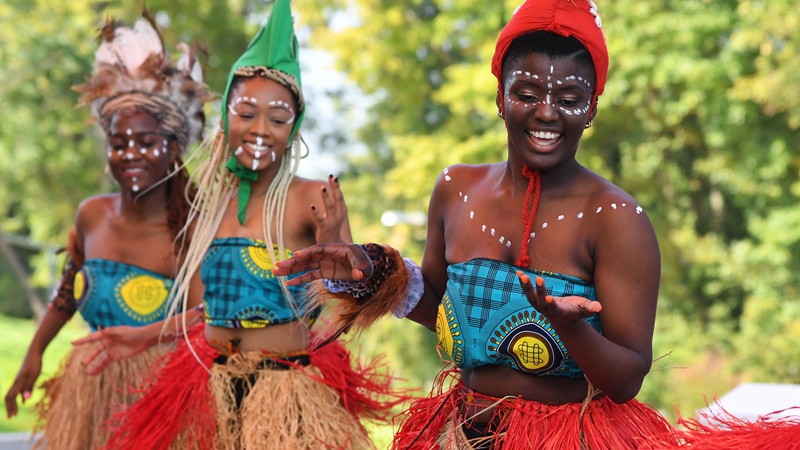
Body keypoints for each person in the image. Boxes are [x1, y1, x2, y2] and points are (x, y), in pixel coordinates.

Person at [274, 0, 684, 448]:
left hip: (569, 438)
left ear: (591, 110)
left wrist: (568, 325)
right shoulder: (457, 188)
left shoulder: (616, 219)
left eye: (568, 100)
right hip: (462, 432)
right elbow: (438, 309)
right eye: (526, 93)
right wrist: (371, 274)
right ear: (499, 98)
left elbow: (627, 380)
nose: (546, 113)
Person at [73, 1, 403, 449]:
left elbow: (349, 284)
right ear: (226, 115)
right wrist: (141, 336)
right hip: (210, 393)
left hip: (285, 396)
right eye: (246, 113)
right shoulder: (211, 205)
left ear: (295, 126)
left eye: (278, 118)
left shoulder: (311, 198)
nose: (260, 129)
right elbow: (206, 312)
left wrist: (339, 248)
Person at [3, 13, 211, 450]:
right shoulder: (92, 214)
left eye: (146, 142)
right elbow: (69, 287)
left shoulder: (193, 227)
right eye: (119, 143)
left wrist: (143, 341)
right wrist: (36, 351)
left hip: (162, 399)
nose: (130, 154)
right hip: (91, 390)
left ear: (174, 149)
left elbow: (204, 318)